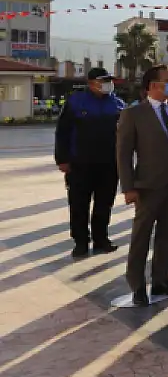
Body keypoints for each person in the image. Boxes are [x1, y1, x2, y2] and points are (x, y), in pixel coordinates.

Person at [116, 64, 168, 306]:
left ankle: (161, 279)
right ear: (153, 86)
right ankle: (137, 285)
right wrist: (128, 187)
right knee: (141, 236)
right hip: (148, 186)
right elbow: (123, 153)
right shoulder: (134, 114)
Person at [54, 67, 126, 258]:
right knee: (79, 204)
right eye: (103, 81)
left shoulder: (118, 104)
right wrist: (63, 159)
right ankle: (80, 242)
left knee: (104, 203)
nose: (107, 84)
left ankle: (101, 238)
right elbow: (63, 131)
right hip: (80, 163)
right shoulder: (76, 102)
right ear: (91, 83)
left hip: (109, 164)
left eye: (108, 81)